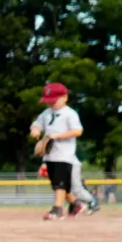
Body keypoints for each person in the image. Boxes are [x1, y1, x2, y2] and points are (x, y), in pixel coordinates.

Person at [30, 86, 100, 217]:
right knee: (62, 185)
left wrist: (57, 136)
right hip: (49, 156)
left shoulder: (70, 114)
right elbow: (36, 124)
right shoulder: (46, 113)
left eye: (53, 100)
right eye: (48, 100)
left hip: (65, 156)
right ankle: (75, 204)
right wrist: (35, 130)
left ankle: (59, 209)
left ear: (65, 97)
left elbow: (78, 131)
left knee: (68, 186)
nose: (50, 103)